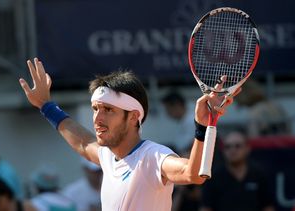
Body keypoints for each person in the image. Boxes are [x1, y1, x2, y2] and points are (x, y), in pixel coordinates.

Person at [19, 58, 237, 210]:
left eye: (108, 110)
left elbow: (194, 174)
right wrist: (46, 106)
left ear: (133, 117)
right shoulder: (107, 156)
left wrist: (202, 127)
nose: (98, 117)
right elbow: (83, 143)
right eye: (95, 109)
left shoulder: (152, 156)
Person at [200, 130, 275, 211]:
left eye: (237, 146)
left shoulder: (259, 175)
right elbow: (205, 207)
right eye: (228, 146)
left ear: (247, 149)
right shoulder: (213, 177)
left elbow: (268, 206)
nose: (232, 150)